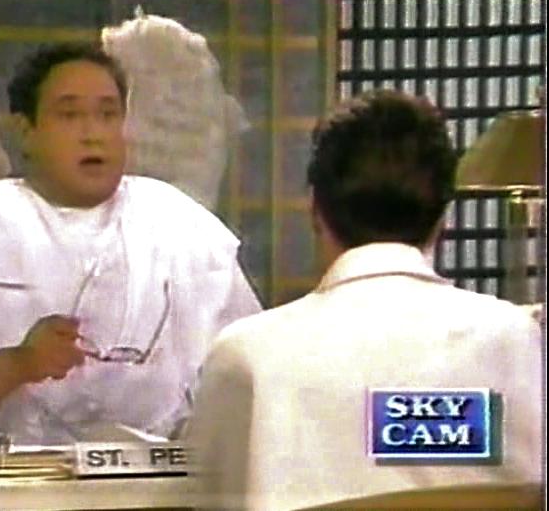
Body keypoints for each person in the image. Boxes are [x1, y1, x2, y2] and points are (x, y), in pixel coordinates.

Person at [0, 43, 261, 451]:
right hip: (7, 479)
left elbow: (250, 363)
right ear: (26, 131)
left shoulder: (182, 225)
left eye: (108, 115)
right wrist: (15, 365)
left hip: (168, 476)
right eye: (70, 115)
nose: (93, 134)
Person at [189, 90, 543, 510]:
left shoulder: (247, 358)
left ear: (315, 210)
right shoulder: (520, 341)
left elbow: (199, 497)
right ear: (442, 219)